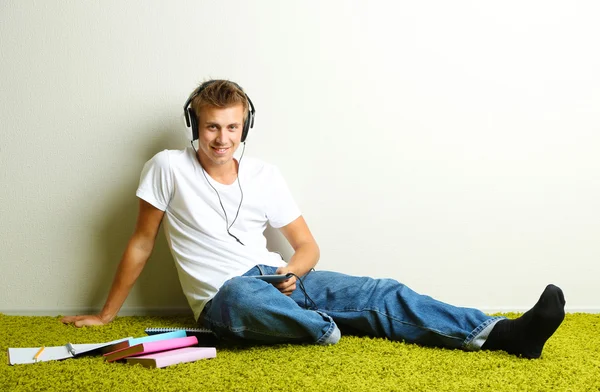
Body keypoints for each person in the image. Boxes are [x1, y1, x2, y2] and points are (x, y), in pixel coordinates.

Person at [62, 79, 566, 358]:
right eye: (211, 127)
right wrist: (107, 314)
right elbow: (141, 243)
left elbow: (306, 247)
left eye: (232, 127)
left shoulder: (264, 175)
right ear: (195, 124)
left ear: (245, 126)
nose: (221, 138)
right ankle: (322, 329)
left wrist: (293, 274)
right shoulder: (168, 167)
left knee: (382, 291)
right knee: (241, 293)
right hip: (226, 296)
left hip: (281, 282)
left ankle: (501, 335)